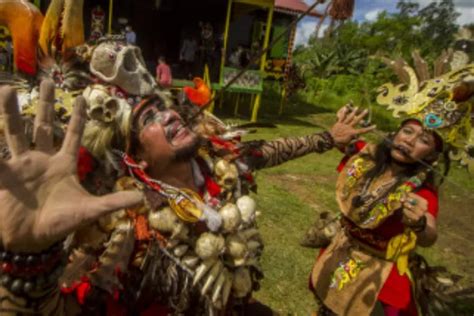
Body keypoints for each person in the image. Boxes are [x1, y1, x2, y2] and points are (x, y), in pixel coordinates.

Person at [0, 79, 373, 314]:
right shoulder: (130, 224)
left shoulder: (220, 163)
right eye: (149, 119)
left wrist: (326, 138)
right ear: (136, 157)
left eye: (165, 108)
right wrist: (30, 257)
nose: (169, 116)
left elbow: (273, 150)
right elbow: (66, 306)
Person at [309, 72, 474, 315]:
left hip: (380, 269)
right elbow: (346, 144)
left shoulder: (423, 191)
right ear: (396, 134)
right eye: (407, 132)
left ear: (431, 156)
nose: (409, 141)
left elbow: (429, 234)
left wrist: (418, 224)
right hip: (340, 250)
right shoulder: (368, 157)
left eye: (423, 140)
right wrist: (340, 128)